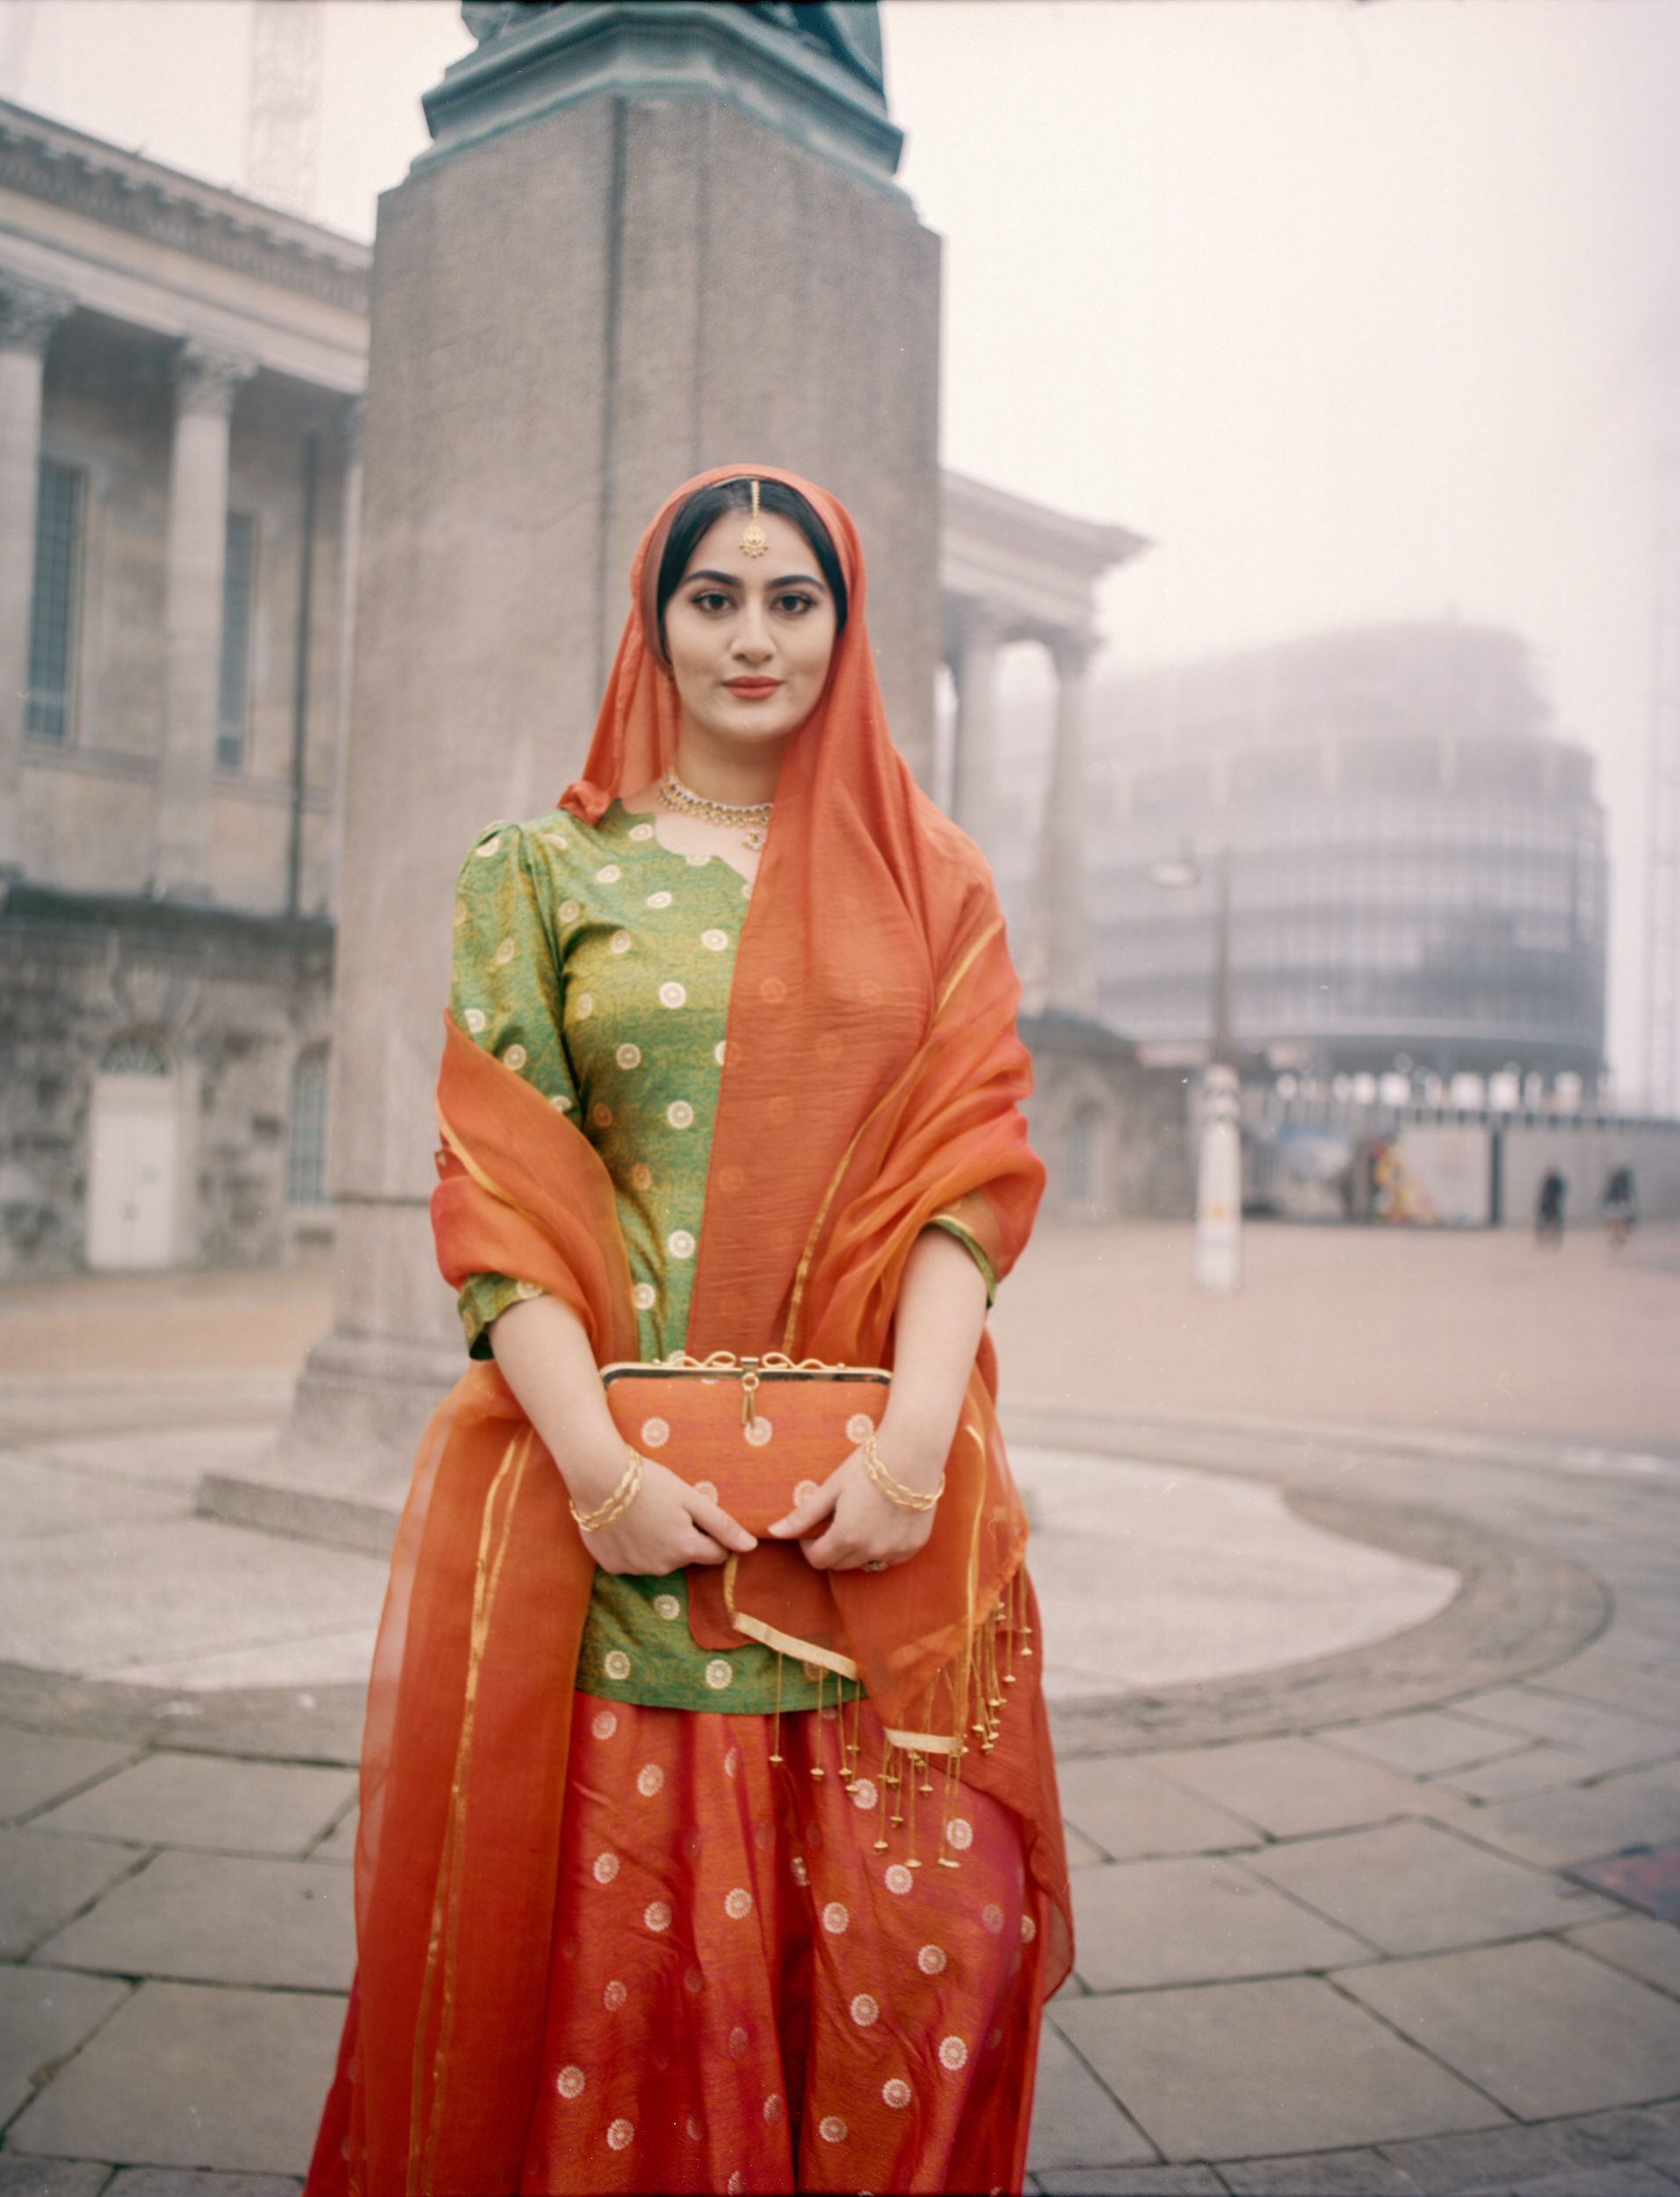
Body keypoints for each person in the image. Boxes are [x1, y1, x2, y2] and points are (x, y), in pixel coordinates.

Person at [306, 465, 1071, 2196]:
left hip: (880, 1516)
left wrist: (908, 1455)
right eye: (710, 596)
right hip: (617, 1527)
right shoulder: (540, 868)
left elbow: (972, 1174)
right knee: (636, 1983)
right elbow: (493, 1198)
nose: (751, 635)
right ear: (653, 622)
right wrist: (598, 1475)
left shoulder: (931, 880)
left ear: (844, 620)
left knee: (934, 1943)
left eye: (789, 597)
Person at [1603, 1164, 1636, 1250]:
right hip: (1617, 1204)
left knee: (1617, 1222)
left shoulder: (1616, 1183)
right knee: (1619, 1221)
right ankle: (1617, 1237)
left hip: (1615, 1204)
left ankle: (1617, 1237)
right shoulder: (1622, 1183)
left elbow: (1607, 1195)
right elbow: (1624, 1194)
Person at [1535, 1165, 1567, 1246]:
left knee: (1554, 1223)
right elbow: (1543, 1194)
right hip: (1546, 1206)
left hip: (1553, 1205)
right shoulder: (1547, 1181)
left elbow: (1558, 1194)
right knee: (1544, 1223)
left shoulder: (1556, 1182)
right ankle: (1543, 1239)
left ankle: (1554, 1239)